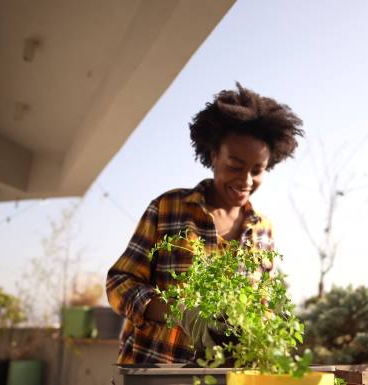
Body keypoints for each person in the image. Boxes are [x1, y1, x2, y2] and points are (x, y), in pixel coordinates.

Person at [106, 83, 304, 364]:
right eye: (235, 166)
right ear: (213, 156)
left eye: (257, 171)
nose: (246, 181)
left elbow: (263, 305)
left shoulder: (263, 230)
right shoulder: (168, 208)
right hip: (156, 373)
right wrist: (181, 311)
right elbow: (119, 284)